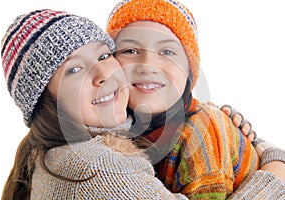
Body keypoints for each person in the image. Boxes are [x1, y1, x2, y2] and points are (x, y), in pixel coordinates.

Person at [0, 9, 191, 200]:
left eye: (104, 56)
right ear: (46, 101)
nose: (103, 74)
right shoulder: (97, 169)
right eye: (74, 69)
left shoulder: (52, 155)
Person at [106, 0, 285, 199]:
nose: (148, 65)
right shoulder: (112, 125)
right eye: (130, 50)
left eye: (167, 52)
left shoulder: (200, 137)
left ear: (189, 70)